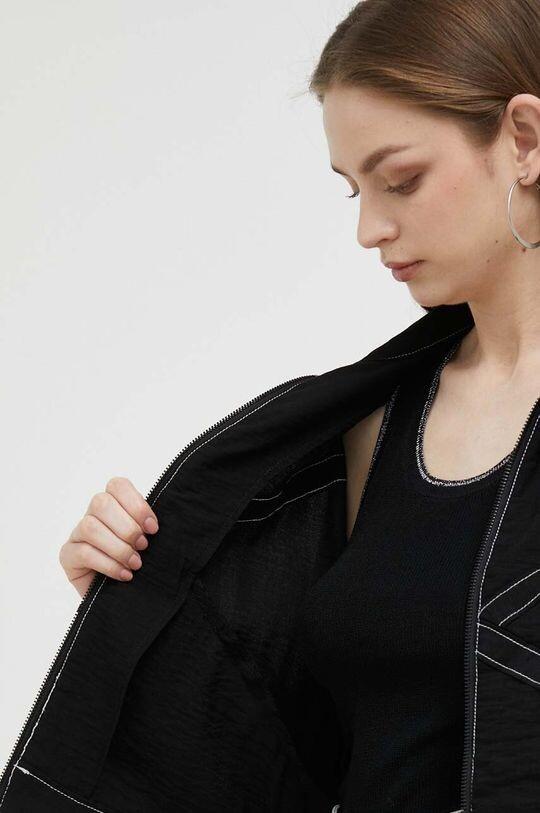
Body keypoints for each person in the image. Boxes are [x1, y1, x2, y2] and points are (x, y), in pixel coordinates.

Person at [47, 0, 540, 810]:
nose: (370, 229)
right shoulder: (370, 430)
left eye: (401, 180)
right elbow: (266, 743)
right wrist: (139, 605)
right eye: (355, 192)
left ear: (523, 139)